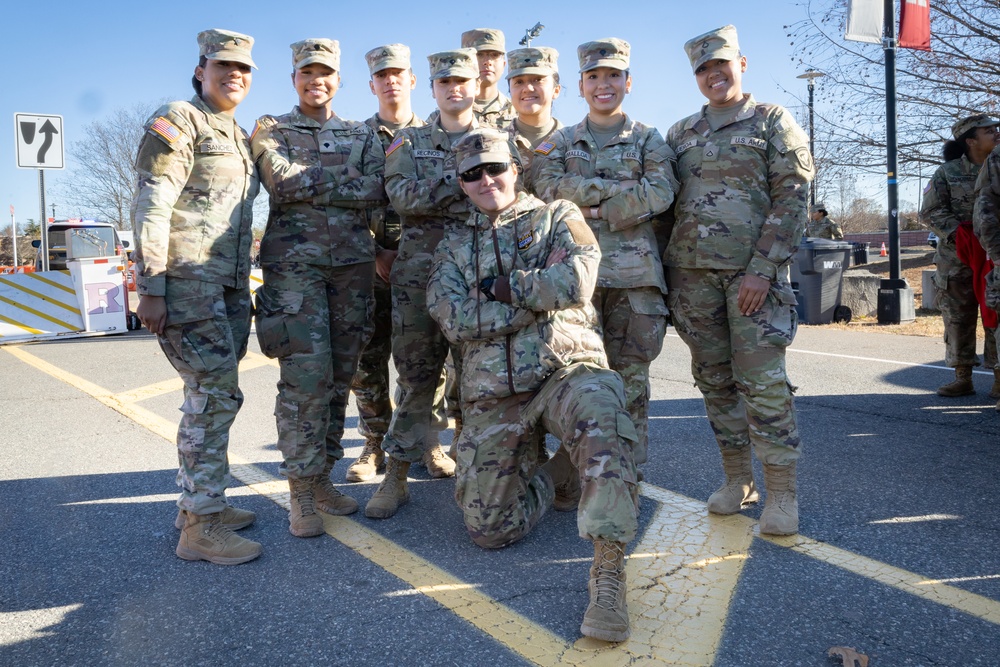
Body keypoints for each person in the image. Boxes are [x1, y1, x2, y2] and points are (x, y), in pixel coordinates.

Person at [427, 128, 639, 643]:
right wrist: (535, 297)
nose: (486, 179)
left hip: (564, 370)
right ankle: (554, 474)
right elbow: (452, 317)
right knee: (489, 531)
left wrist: (501, 289)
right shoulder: (455, 245)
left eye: (495, 167)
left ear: (515, 169)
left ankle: (608, 574)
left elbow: (577, 282)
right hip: (493, 393)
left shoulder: (557, 216)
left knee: (602, 411)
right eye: (472, 173)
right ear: (461, 182)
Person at [664, 25, 814, 535]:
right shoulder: (681, 133)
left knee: (763, 383)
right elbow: (666, 206)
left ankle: (783, 493)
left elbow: (793, 196)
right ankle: (737, 479)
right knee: (715, 383)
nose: (713, 74)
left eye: (721, 64)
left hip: (754, 278)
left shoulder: (771, 121)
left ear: (741, 64)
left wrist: (762, 269)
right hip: (692, 281)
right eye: (703, 68)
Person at [132, 28, 261, 565]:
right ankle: (201, 525)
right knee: (213, 395)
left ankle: (199, 505)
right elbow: (152, 205)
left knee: (215, 395)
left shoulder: (234, 133)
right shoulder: (178, 119)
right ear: (200, 70)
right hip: (187, 283)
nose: (234, 74)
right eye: (223, 65)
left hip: (226, 285)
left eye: (244, 68)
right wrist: (151, 287)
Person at [250, 38, 387, 537]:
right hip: (295, 274)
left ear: (338, 79)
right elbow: (279, 183)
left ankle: (324, 478)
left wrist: (317, 179)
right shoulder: (272, 128)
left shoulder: (361, 133)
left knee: (339, 379)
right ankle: (301, 492)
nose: (317, 81)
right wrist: (342, 178)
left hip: (352, 269)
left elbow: (379, 188)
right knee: (304, 381)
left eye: (325, 73)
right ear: (294, 80)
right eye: (307, 73)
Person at [367, 48, 510, 520]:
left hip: (477, 276)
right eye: (445, 82)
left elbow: (504, 198)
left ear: (475, 86)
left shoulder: (496, 138)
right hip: (418, 279)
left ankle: (475, 473)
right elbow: (403, 197)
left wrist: (465, 186)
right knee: (415, 378)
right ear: (431, 88)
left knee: (478, 377)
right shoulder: (407, 142)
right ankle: (396, 476)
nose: (455, 89)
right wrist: (467, 181)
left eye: (463, 82)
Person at [532, 38, 678, 470]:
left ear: (627, 82)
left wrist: (590, 206)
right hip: (575, 283)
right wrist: (619, 197)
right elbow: (545, 188)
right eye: (594, 76)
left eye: (613, 75)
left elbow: (662, 192)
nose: (603, 85)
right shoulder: (558, 141)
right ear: (580, 86)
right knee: (574, 381)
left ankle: (626, 477)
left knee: (631, 384)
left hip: (634, 283)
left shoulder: (649, 139)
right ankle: (576, 472)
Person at [346, 43, 455, 483]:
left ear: (413, 81)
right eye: (381, 74)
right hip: (371, 265)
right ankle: (374, 445)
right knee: (367, 361)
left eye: (399, 73)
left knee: (426, 359)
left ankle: (427, 442)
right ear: (371, 83)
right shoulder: (357, 137)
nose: (391, 80)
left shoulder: (436, 134)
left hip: (423, 262)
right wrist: (374, 251)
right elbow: (349, 200)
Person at [923, 114, 999, 398]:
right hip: (957, 259)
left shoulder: (999, 167)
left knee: (997, 314)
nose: (995, 133)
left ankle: (999, 378)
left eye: (996, 129)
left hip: (994, 255)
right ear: (970, 140)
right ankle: (962, 377)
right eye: (988, 130)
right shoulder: (948, 172)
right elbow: (930, 212)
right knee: (958, 318)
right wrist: (962, 236)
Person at [504, 46, 563, 195]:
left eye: (538, 80)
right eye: (518, 82)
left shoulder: (573, 143)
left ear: (556, 90)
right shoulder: (497, 144)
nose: (528, 88)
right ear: (510, 91)